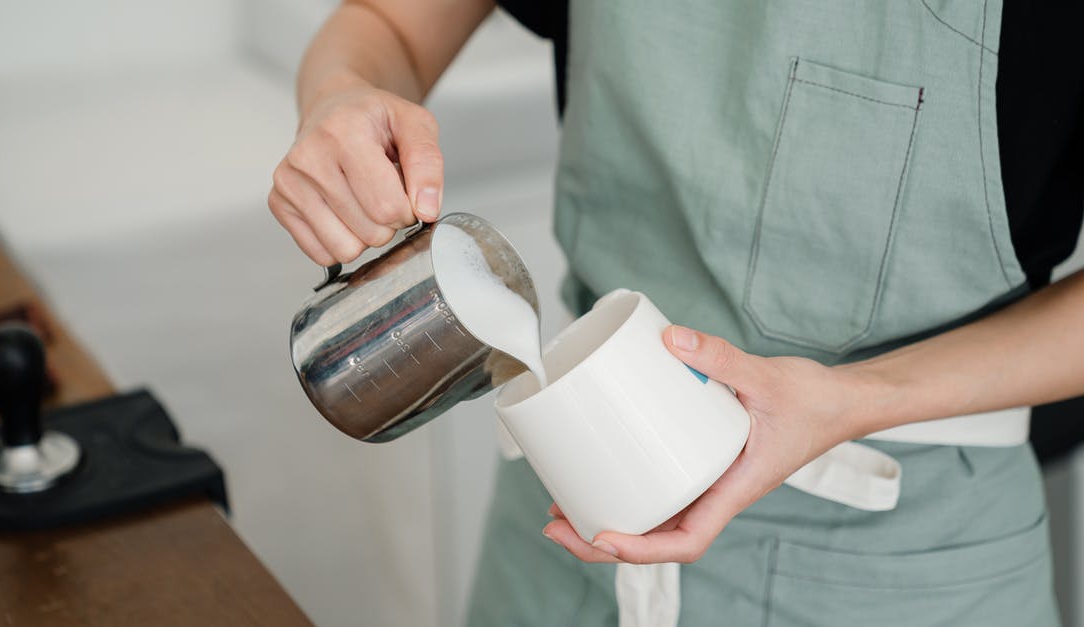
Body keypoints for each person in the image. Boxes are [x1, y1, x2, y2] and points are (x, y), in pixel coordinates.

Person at [269, 1, 1084, 625]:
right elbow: (386, 25)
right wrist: (341, 97)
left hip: (905, 563)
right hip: (568, 527)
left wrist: (861, 399)